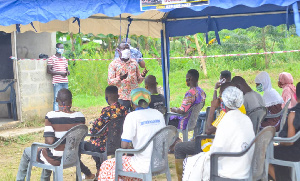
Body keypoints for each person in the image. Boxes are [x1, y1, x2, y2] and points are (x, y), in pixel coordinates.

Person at [173, 82, 246, 181]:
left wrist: (212, 109)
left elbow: (208, 130)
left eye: (220, 96)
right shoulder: (240, 108)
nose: (219, 99)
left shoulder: (227, 113)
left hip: (213, 146)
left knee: (178, 147)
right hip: (227, 145)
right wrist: (215, 91)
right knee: (194, 141)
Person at [16, 89, 85, 181]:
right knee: (48, 151)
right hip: (72, 157)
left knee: (28, 151)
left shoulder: (51, 115)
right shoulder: (80, 116)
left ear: (57, 100)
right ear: (71, 101)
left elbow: (49, 141)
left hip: (55, 159)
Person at [98, 88, 166, 181]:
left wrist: (131, 148)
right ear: (148, 100)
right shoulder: (158, 114)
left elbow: (124, 146)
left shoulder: (132, 116)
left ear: (132, 102)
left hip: (142, 165)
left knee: (107, 166)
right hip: (160, 162)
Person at [79, 86, 127, 180]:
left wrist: (93, 127)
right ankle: (100, 171)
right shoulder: (124, 109)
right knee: (95, 142)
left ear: (106, 97)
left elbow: (94, 130)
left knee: (84, 144)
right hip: (119, 143)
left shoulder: (106, 111)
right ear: (118, 95)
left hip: (105, 146)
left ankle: (95, 171)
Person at [269, 82, 300, 181]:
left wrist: (278, 142)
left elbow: (290, 141)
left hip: (295, 152)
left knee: (264, 153)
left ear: (295, 95)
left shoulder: (294, 113)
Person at [108, 43, 148, 110]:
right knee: (123, 117)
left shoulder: (134, 63)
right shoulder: (113, 64)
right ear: (118, 51)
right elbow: (110, 82)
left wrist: (142, 75)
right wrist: (120, 78)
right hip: (121, 97)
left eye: (127, 48)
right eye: (124, 49)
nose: (126, 50)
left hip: (135, 96)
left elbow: (138, 81)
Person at [194, 70, 231, 137]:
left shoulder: (227, 91)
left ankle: (198, 136)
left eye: (220, 79)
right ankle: (199, 135)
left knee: (202, 116)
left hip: (220, 113)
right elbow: (215, 102)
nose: (219, 81)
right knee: (203, 116)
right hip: (219, 112)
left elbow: (214, 104)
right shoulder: (228, 89)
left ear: (225, 79)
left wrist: (213, 107)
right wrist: (215, 89)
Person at [47, 43, 70, 111]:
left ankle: (65, 113)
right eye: (60, 48)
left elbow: (66, 69)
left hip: (65, 82)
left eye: (62, 48)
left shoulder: (64, 59)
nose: (62, 49)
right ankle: (56, 116)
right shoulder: (52, 58)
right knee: (57, 99)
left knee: (66, 98)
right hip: (57, 82)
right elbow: (49, 71)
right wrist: (60, 73)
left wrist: (67, 72)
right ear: (56, 49)